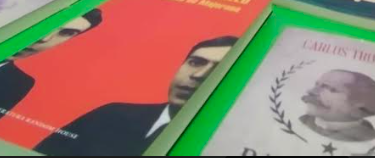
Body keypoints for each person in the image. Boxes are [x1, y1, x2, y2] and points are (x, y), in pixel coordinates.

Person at [34, 36, 238, 155]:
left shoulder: (227, 143)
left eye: (218, 68)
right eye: (195, 62)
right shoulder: (111, 115)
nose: (199, 75)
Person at [300, 70, 375, 143]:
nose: (311, 91)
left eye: (331, 89)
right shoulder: (303, 121)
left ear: (359, 105)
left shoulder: (368, 139)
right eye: (317, 85)